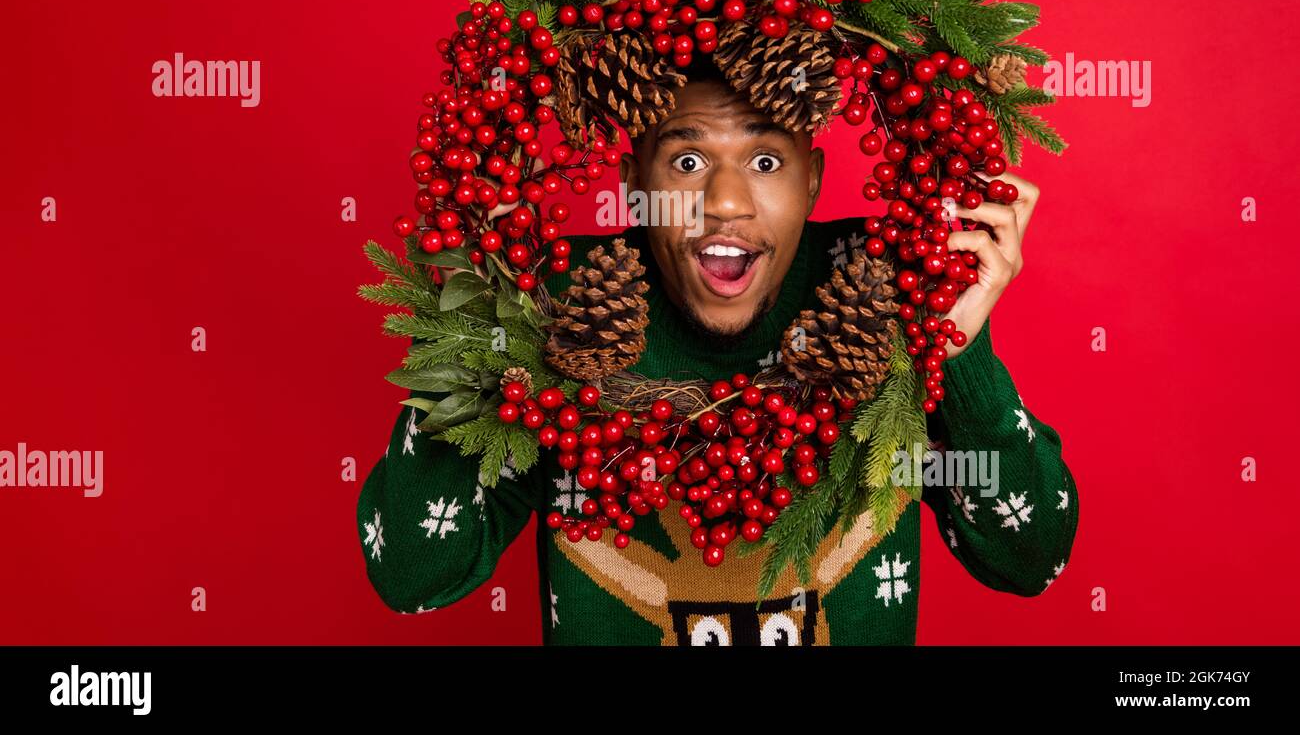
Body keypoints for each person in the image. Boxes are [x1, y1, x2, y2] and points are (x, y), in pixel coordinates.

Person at [357, 56, 1080, 645]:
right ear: (632, 184)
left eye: (766, 161)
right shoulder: (555, 307)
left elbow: (1031, 558)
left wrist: (961, 349)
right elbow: (416, 573)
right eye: (689, 160)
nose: (726, 201)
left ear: (815, 182)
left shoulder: (889, 292)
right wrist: (473, 310)